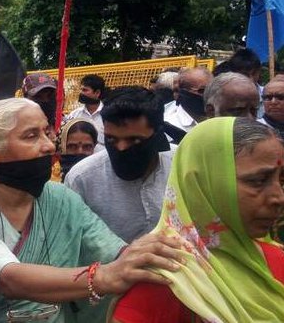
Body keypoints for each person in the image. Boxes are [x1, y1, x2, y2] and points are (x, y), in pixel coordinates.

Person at [0, 98, 183, 323]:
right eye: (30, 136)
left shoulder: (61, 198)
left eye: (47, 132)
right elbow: (8, 278)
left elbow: (112, 250)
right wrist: (104, 276)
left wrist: (146, 257)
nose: (49, 145)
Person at [111, 117, 284, 322]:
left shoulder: (275, 259)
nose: (279, 197)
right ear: (202, 183)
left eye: (282, 180)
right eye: (258, 181)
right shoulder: (161, 282)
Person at [65, 87, 174, 243]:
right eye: (111, 139)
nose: (121, 148)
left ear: (157, 135)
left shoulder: (180, 167)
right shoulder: (82, 179)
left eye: (134, 140)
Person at [164, 67, 213, 133]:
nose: (210, 95)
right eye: (202, 90)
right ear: (183, 92)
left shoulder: (222, 120)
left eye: (213, 89)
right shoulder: (169, 126)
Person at [64, 74, 106, 146]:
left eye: (85, 90)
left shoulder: (107, 115)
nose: (81, 93)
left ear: (97, 93)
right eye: (81, 89)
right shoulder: (74, 115)